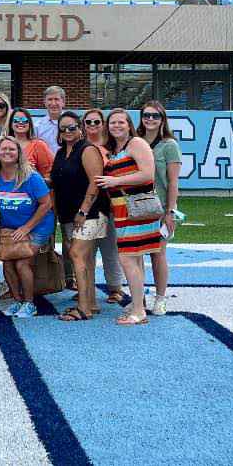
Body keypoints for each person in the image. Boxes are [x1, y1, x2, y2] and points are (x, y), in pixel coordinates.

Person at [0, 136, 55, 319]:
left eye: (12, 149)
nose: (7, 152)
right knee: (7, 261)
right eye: (3, 149)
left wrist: (27, 228)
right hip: (9, 229)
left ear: (19, 153)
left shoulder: (31, 177)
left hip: (36, 226)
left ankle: (29, 304)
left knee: (22, 262)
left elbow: (46, 204)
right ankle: (17, 300)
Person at [95, 108, 159, 327]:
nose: (116, 126)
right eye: (112, 123)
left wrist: (115, 182)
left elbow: (148, 174)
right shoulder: (115, 148)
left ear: (129, 124)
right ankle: (137, 303)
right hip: (123, 210)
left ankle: (139, 310)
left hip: (136, 208)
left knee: (128, 258)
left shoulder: (137, 143)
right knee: (135, 259)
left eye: (121, 122)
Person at [50, 111, 110, 322]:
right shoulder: (60, 152)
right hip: (68, 214)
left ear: (80, 128)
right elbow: (57, 182)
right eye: (63, 128)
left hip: (90, 212)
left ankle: (83, 307)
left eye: (72, 127)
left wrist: (83, 210)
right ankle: (91, 302)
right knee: (85, 259)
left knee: (76, 254)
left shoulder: (88, 150)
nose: (67, 131)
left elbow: (96, 181)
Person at [138, 100, 182, 316]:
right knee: (134, 255)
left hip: (159, 207)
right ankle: (139, 299)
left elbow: (173, 182)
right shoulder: (134, 141)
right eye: (147, 115)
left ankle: (160, 298)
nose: (150, 119)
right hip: (135, 207)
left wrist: (170, 212)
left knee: (158, 254)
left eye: (155, 116)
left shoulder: (169, 145)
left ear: (162, 119)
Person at [81, 107, 126, 305]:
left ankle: (115, 288)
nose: (92, 126)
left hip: (109, 203)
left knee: (110, 249)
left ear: (103, 124)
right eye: (88, 122)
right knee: (86, 251)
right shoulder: (79, 146)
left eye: (96, 122)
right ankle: (86, 288)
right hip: (85, 203)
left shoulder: (113, 146)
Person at [7, 107, 54, 180]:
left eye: (24, 120)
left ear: (30, 124)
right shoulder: (4, 144)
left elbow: (49, 173)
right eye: (16, 120)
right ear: (10, 124)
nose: (20, 122)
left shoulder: (39, 145)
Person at [33, 85, 66, 152]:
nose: (53, 103)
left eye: (56, 99)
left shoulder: (72, 124)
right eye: (50, 99)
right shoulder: (37, 126)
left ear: (63, 102)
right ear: (45, 103)